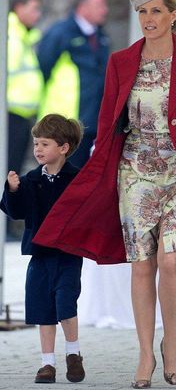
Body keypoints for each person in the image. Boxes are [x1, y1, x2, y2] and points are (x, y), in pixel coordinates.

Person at [33, 0, 176, 388]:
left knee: (172, 261)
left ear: (173, 15)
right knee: (142, 265)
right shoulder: (121, 61)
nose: (148, 18)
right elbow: (107, 124)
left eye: (156, 11)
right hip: (135, 175)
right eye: (142, 10)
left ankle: (171, 344)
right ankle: (145, 355)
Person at [0, 114, 84, 384]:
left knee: (65, 304)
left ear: (63, 148)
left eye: (44, 144)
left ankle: (73, 353)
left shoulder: (77, 180)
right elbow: (17, 213)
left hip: (68, 255)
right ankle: (47, 362)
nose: (37, 149)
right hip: (39, 255)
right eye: (36, 143)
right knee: (41, 308)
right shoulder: (30, 180)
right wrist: (12, 191)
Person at [37, 0, 109, 169]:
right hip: (66, 124)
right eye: (100, 4)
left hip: (93, 122)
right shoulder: (61, 33)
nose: (105, 10)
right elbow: (43, 68)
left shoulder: (101, 36)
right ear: (83, 7)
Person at [8, 0, 44, 175]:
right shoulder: (10, 36)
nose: (37, 15)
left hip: (20, 115)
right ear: (19, 8)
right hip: (9, 115)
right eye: (34, 9)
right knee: (8, 167)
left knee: (14, 167)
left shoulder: (22, 35)